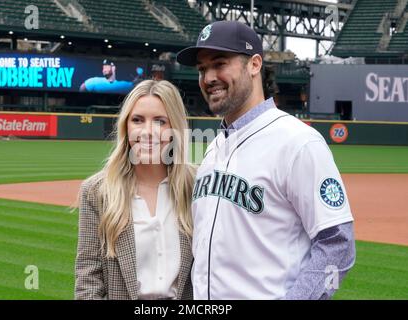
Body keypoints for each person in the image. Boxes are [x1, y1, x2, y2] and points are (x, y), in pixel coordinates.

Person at [176, 20, 356, 300]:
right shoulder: (212, 149)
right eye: (202, 69)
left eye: (220, 63)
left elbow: (338, 246)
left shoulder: (298, 142)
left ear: (255, 64)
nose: (208, 77)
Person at [75, 80, 195, 300]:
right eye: (137, 120)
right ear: (126, 126)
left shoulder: (198, 185)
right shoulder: (96, 191)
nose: (148, 131)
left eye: (160, 121)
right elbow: (88, 279)